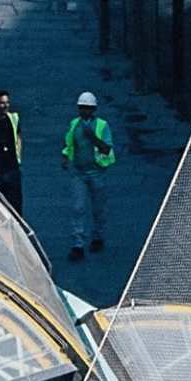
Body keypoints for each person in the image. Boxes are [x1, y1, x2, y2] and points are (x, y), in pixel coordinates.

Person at [58, 89, 113, 263]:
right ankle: (78, 244)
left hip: (96, 172)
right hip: (79, 173)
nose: (85, 111)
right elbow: (69, 143)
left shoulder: (102, 126)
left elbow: (106, 148)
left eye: (88, 108)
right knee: (78, 208)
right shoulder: (74, 124)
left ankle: (97, 237)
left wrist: (93, 137)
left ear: (94, 109)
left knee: (98, 208)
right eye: (82, 107)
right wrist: (66, 157)